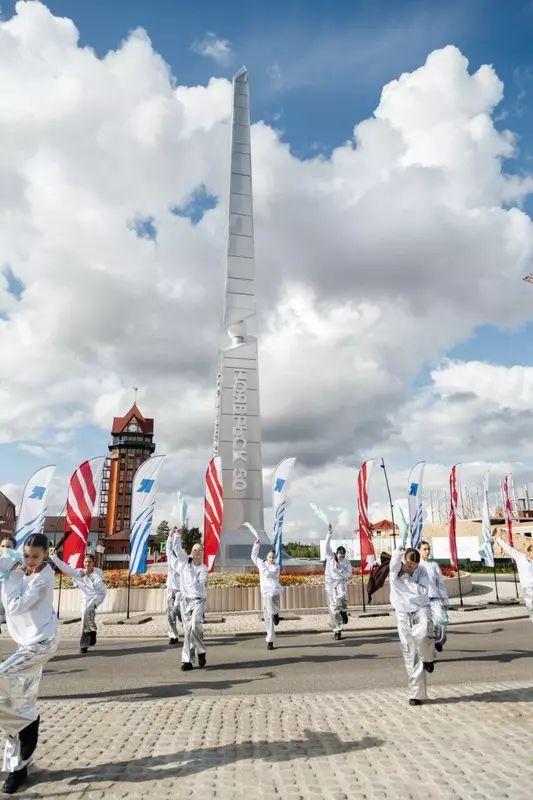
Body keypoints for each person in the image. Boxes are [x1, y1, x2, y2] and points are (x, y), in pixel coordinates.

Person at [0, 533, 58, 794]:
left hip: (42, 644)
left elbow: (14, 607)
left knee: (3, 682)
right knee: (17, 703)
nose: (30, 561)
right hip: (26, 644)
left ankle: (30, 723)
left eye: (36, 556)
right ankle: (17, 768)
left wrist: (9, 576)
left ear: (45, 553)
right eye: (25, 556)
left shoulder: (43, 579)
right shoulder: (23, 571)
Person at [389, 545, 435, 706]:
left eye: (414, 567)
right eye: (409, 566)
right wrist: (398, 551)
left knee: (424, 635)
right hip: (402, 613)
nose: (410, 570)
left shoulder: (421, 570)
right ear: (404, 560)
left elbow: (423, 590)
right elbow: (393, 563)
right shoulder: (396, 570)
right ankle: (416, 694)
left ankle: (429, 657)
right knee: (410, 653)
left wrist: (408, 582)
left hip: (420, 608)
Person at [51, 546, 107, 655]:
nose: (87, 564)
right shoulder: (78, 572)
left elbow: (97, 583)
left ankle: (92, 631)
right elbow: (65, 568)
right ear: (83, 563)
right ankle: (85, 642)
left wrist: (87, 577)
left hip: (98, 595)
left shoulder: (98, 572)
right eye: (86, 562)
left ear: (93, 563)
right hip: (86, 597)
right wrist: (53, 557)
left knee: (87, 611)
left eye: (89, 562)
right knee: (84, 618)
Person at [168, 529, 208, 671]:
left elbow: (197, 587)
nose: (197, 551)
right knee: (188, 630)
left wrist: (190, 571)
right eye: (194, 549)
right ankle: (187, 661)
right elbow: (177, 549)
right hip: (185, 600)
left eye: (199, 549)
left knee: (195, 626)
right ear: (191, 552)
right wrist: (176, 535)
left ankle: (201, 650)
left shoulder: (203, 569)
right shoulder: (185, 560)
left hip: (198, 600)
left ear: (202, 552)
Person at [417, 540, 449, 652]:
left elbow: (440, 583)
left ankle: (438, 641)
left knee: (440, 623)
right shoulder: (416, 566)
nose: (427, 551)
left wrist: (444, 600)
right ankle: (428, 652)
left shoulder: (434, 565)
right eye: (424, 549)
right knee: (425, 627)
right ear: (419, 551)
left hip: (435, 599)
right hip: (422, 601)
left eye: (428, 549)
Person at [251, 539, 282, 650]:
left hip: (274, 592)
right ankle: (270, 640)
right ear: (267, 557)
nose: (271, 559)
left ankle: (275, 613)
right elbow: (253, 557)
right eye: (270, 557)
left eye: (273, 557)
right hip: (265, 594)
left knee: (271, 610)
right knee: (267, 617)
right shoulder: (262, 564)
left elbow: (269, 574)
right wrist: (256, 545)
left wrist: (263, 568)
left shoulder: (276, 567)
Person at [495, 533, 533, 621]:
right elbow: (509, 549)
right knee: (530, 607)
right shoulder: (520, 557)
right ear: (530, 550)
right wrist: (498, 539)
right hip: (527, 588)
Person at [324, 524, 352, 640]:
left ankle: (344, 611)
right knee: (333, 608)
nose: (341, 557)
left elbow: (349, 575)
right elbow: (326, 545)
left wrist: (341, 571)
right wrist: (329, 534)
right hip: (330, 583)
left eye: (343, 556)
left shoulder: (346, 562)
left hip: (340, 582)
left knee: (342, 597)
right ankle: (337, 630)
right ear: (337, 553)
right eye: (340, 555)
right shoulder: (331, 556)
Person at [165, 533, 182, 646]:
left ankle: (190, 629)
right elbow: (168, 547)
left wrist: (177, 536)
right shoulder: (170, 557)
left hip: (181, 591)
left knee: (178, 610)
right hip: (170, 589)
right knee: (170, 613)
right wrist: (170, 536)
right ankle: (173, 636)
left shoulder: (183, 560)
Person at [0, 536, 16, 634]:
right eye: (3, 546)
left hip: (7, 593)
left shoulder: (17, 561)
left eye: (8, 546)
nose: (5, 548)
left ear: (14, 548)